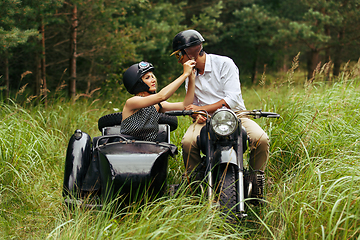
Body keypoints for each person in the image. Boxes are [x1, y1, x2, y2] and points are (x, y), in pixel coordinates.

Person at [170, 29, 269, 198]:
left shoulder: (224, 64)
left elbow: (230, 99)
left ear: (190, 52)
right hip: (206, 119)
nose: (179, 60)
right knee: (188, 142)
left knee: (261, 139)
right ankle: (195, 186)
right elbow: (191, 105)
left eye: (180, 55)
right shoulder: (189, 74)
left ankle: (254, 179)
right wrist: (196, 114)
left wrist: (201, 109)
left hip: (234, 115)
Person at [120, 60, 196, 141]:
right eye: (147, 77)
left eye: (152, 76)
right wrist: (184, 75)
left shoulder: (158, 105)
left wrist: (192, 79)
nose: (153, 80)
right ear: (138, 83)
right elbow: (162, 96)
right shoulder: (132, 102)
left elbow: (185, 105)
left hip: (149, 148)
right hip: (127, 147)